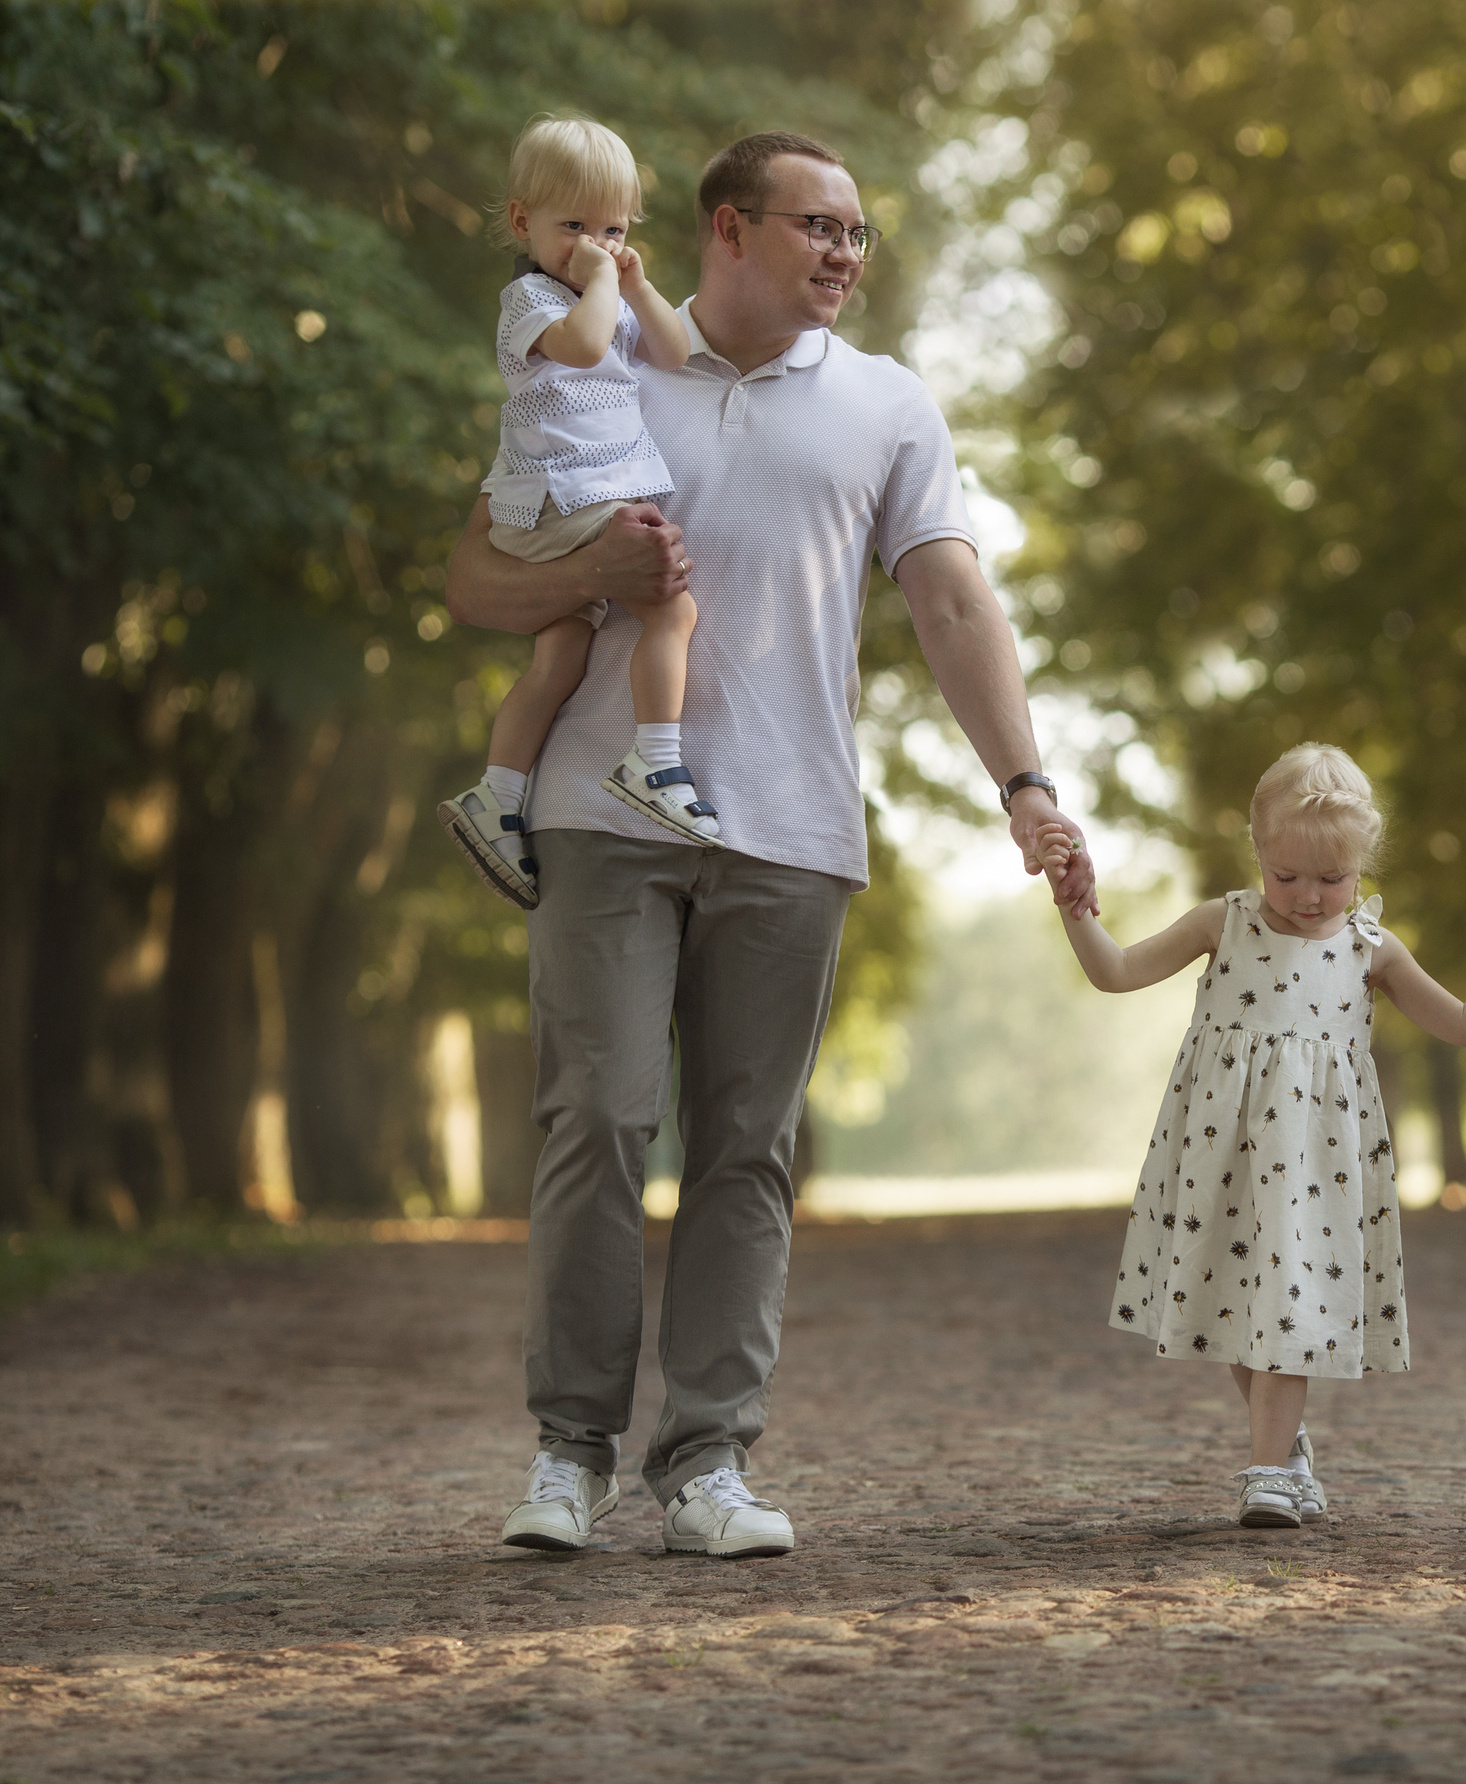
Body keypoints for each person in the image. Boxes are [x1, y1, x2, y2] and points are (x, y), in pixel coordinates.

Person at [443, 129, 1097, 1559]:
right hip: (602, 809)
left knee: (746, 1151)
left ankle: (708, 1468)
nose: (846, 256)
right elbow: (475, 574)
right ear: (725, 231)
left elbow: (955, 608)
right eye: (819, 227)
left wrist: (1028, 784)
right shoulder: (600, 363)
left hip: (794, 826)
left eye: (859, 235)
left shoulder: (887, 406)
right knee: (599, 1119)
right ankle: (569, 1455)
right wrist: (593, 568)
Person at [1035, 745, 1466, 1527]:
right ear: (1258, 851)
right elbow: (1116, 972)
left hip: (1316, 1162)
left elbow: (1463, 1025)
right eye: (1287, 876)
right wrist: (1075, 905)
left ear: (1363, 865)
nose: (1309, 897)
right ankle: (1287, 1451)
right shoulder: (1221, 923)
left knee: (1287, 1296)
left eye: (1333, 879)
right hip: (1220, 1153)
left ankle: (1267, 1473)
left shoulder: (1369, 949)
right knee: (1226, 1305)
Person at [438, 116, 719, 913]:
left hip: (575, 498)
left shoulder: (603, 296)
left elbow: (670, 350)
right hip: (566, 496)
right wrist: (602, 281)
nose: (594, 243)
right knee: (674, 607)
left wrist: (634, 283)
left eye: (614, 228)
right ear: (524, 221)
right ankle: (655, 762)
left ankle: (496, 797)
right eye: (574, 227)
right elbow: (590, 347)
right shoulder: (530, 300)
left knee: (559, 658)